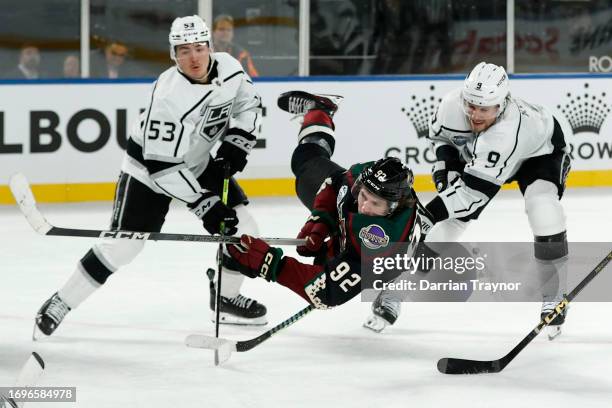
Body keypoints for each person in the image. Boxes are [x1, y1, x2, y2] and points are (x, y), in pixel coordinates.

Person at [34, 15, 268, 338]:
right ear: (173, 55)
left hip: (198, 162)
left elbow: (250, 104)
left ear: (210, 47)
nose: (194, 57)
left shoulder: (230, 68)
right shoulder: (168, 98)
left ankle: (224, 297)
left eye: (199, 48)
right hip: (149, 170)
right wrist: (205, 205)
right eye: (184, 51)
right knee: (123, 247)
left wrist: (239, 141)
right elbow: (163, 170)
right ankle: (61, 301)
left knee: (246, 230)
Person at [366, 62, 571, 339]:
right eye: (471, 105)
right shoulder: (453, 104)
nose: (474, 115)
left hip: (540, 153)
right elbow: (441, 139)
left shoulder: (507, 132)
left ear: (501, 105)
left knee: (543, 209)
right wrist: (446, 166)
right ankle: (397, 289)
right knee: (449, 224)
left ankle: (554, 293)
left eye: (484, 109)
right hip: (489, 155)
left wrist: (430, 211)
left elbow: (472, 196)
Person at [224, 90, 432, 310]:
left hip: (380, 263)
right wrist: (323, 217)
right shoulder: (370, 178)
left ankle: (391, 296)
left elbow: (325, 293)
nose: (364, 205)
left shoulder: (379, 241)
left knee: (333, 265)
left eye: (375, 204)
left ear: (393, 208)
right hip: (362, 245)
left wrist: (271, 265)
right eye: (363, 196)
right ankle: (320, 110)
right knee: (306, 161)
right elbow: (337, 182)